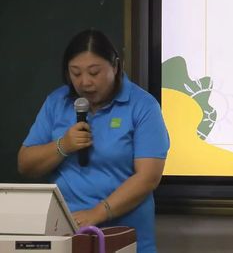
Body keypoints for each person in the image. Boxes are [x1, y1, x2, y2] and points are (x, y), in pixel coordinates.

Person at [17, 29, 170, 253]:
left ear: (115, 66)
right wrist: (63, 146)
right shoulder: (57, 102)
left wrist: (97, 213)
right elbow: (25, 164)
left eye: (94, 72)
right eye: (75, 73)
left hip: (123, 237)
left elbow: (148, 177)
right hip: (66, 235)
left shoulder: (143, 106)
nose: (85, 82)